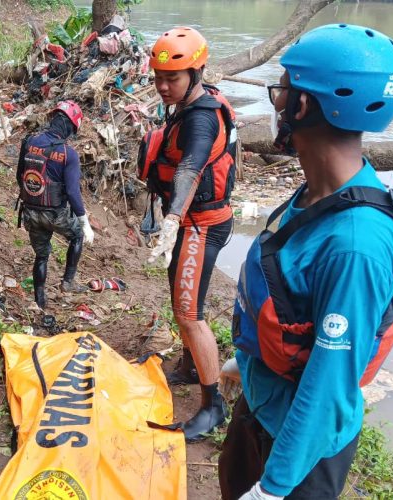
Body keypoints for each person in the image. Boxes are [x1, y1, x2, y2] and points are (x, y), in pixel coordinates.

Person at [219, 24, 393, 499]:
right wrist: (245, 360)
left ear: (303, 105)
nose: (277, 104)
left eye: (281, 90)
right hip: (263, 407)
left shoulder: (357, 244)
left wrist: (271, 490)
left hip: (299, 455)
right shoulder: (317, 193)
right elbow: (294, 303)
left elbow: (330, 384)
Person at [141, 26, 237, 441]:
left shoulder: (201, 119)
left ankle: (212, 404)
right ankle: (188, 366)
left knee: (190, 313)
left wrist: (173, 216)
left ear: (196, 73)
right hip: (190, 221)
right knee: (182, 300)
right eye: (158, 78)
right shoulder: (190, 100)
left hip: (201, 223)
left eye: (172, 78)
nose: (163, 86)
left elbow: (191, 166)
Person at [17, 101, 95, 309]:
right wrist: (84, 222)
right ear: (70, 126)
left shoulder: (29, 142)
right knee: (77, 236)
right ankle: (67, 282)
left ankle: (40, 301)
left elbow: (20, 177)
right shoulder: (68, 154)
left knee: (41, 256)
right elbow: (72, 191)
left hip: (31, 211)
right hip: (56, 213)